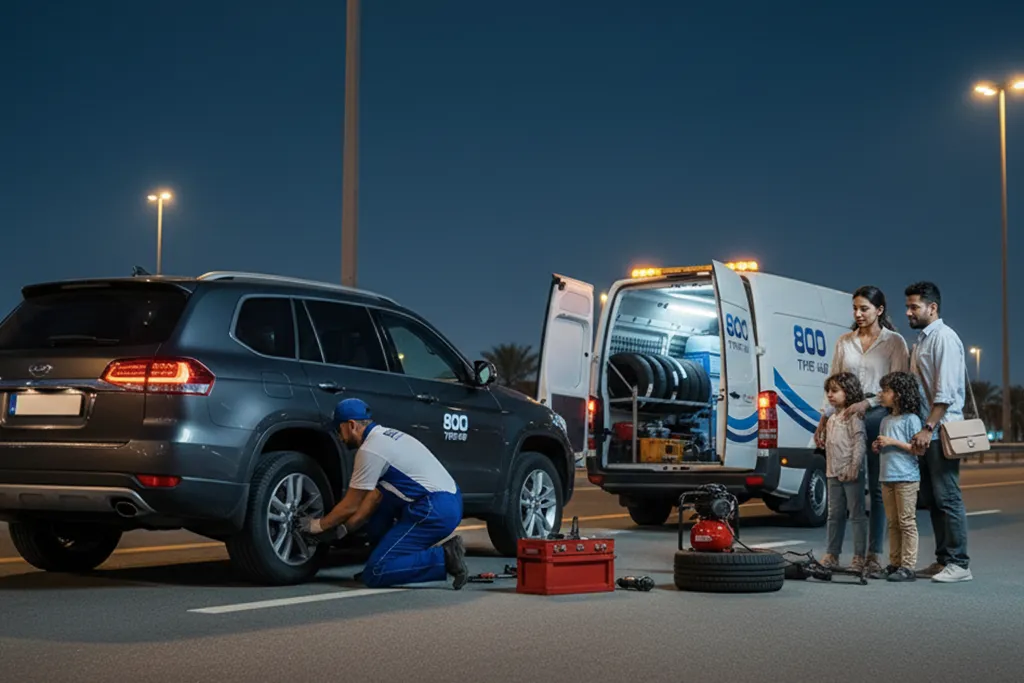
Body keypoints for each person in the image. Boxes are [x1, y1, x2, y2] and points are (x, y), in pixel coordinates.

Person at [298, 398, 470, 589]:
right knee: (379, 510)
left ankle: (445, 557)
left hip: (435, 509)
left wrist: (317, 525)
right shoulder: (386, 437)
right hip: (447, 501)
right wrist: (343, 530)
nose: (339, 436)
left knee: (375, 572)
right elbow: (373, 499)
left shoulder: (370, 451)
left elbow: (351, 505)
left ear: (351, 425)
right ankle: (390, 560)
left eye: (339, 430)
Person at [815, 285, 909, 578]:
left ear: (879, 310)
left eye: (864, 309)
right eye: (854, 308)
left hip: (879, 415)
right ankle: (836, 553)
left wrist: (868, 402)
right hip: (846, 417)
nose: (858, 314)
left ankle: (874, 555)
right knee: (845, 486)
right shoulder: (844, 342)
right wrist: (824, 417)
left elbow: (898, 384)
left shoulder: (895, 342)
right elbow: (834, 381)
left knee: (878, 489)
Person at [905, 281, 972, 583]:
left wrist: (928, 426)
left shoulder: (943, 338)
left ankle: (960, 563)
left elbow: (944, 393)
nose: (909, 312)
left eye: (914, 307)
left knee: (948, 497)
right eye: (908, 306)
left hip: (940, 430)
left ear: (932, 308)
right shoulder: (921, 341)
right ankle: (943, 560)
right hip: (925, 431)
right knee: (932, 499)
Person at [871, 371, 925, 582]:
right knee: (893, 522)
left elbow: (918, 450)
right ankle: (894, 564)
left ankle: (908, 566)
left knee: (906, 522)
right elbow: (885, 445)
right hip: (887, 477)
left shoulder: (911, 419)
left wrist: (892, 442)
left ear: (900, 394)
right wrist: (878, 446)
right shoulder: (885, 420)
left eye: (886, 390)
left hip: (906, 477)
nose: (881, 394)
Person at [820, 372, 869, 571]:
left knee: (856, 514)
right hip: (833, 472)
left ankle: (859, 557)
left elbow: (859, 442)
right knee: (834, 515)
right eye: (828, 391)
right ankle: (832, 554)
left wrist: (854, 466)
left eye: (835, 391)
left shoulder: (853, 416)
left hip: (850, 472)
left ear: (848, 392)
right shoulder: (832, 417)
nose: (830, 395)